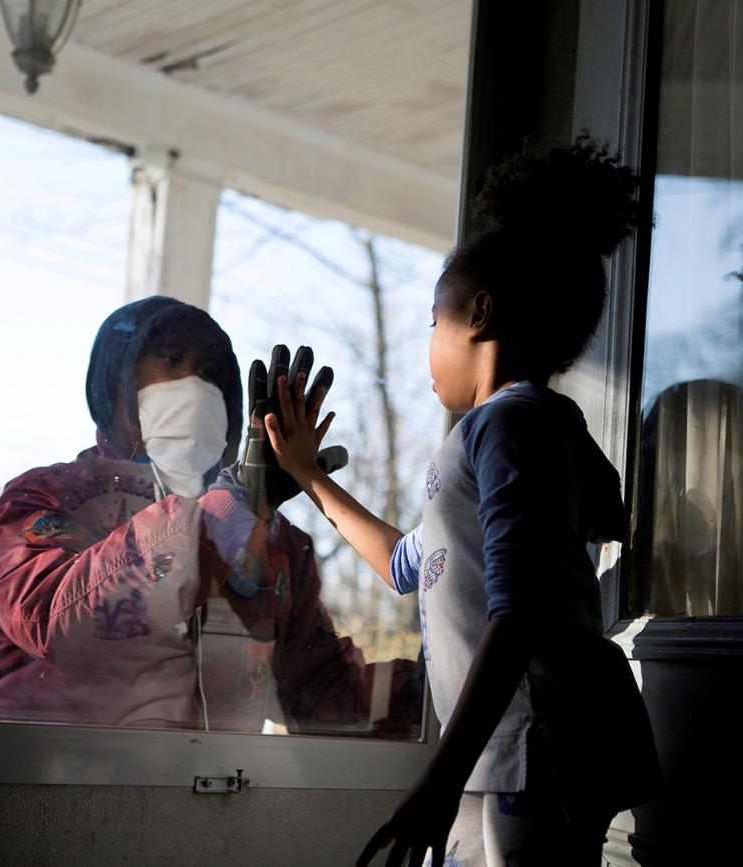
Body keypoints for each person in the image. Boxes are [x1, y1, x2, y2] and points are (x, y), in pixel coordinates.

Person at [264, 137, 661, 865]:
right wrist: (308, 477)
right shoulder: (524, 429)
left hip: (528, 745)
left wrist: (440, 777)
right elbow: (405, 564)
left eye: (432, 320)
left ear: (478, 312)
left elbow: (517, 612)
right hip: (508, 749)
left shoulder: (511, 425)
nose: (428, 340)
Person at [0, 295, 418, 736]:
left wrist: (431, 690)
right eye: (172, 360)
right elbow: (60, 622)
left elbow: (319, 698)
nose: (196, 389)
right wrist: (224, 512)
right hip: (34, 784)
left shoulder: (278, 547)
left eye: (211, 374)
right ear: (117, 378)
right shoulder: (50, 497)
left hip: (195, 797)